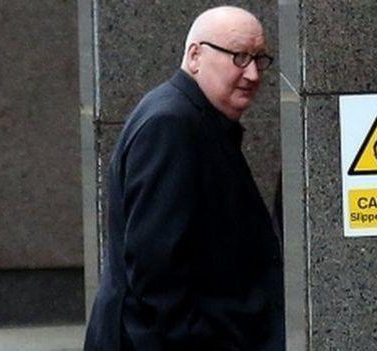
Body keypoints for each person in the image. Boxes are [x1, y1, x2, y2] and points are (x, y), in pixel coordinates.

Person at [84, 6, 284, 351]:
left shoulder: (194, 117)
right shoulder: (172, 124)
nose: (252, 73)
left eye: (259, 59)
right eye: (238, 57)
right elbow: (155, 268)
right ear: (195, 56)